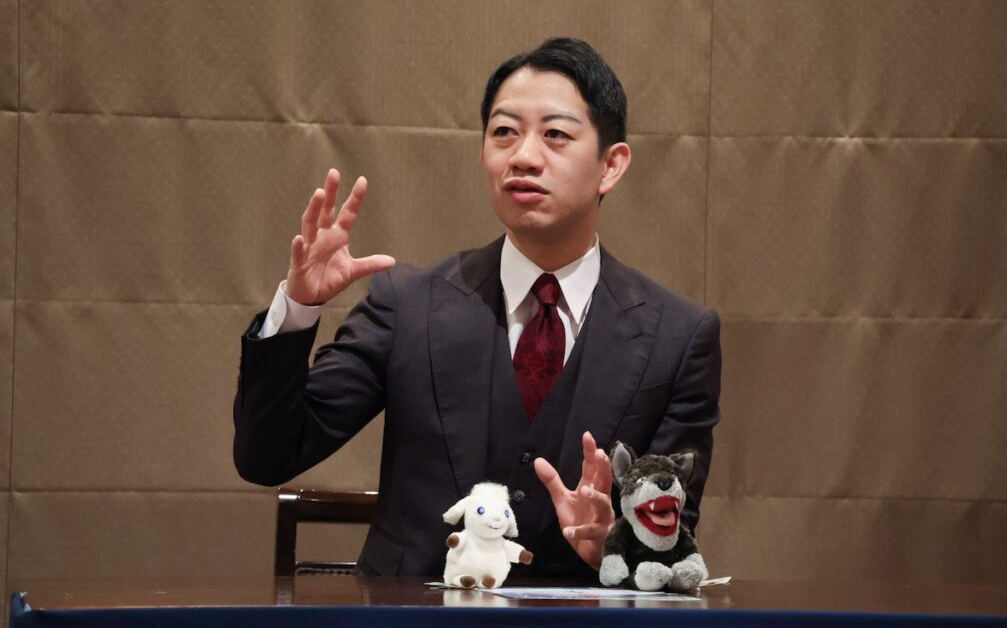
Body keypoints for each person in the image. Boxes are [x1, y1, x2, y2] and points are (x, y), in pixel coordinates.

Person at [233, 37, 721, 579]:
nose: (523, 156)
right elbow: (267, 457)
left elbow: (673, 540)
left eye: (556, 135)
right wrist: (299, 307)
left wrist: (614, 545)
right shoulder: (406, 304)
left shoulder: (678, 337)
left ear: (611, 165)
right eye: (504, 132)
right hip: (413, 614)